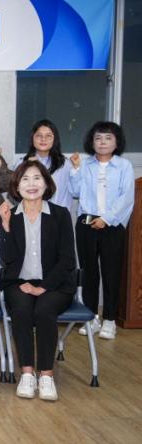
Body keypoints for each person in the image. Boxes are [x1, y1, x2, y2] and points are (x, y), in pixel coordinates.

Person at [0, 160, 76, 401]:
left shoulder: (60, 214)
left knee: (44, 310)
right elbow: (8, 259)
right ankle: (27, 373)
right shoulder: (10, 216)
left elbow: (67, 260)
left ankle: (46, 375)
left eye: (37, 178)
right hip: (19, 282)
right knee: (21, 310)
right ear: (16, 186)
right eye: (25, 179)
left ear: (46, 183)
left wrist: (43, 286)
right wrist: (6, 227)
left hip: (55, 283)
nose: (31, 184)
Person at [70, 121, 135, 340]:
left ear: (117, 142)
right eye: (98, 138)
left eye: (108, 138)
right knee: (88, 272)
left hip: (112, 226)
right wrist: (75, 169)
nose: (102, 142)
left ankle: (109, 320)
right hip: (86, 223)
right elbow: (75, 191)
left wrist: (106, 219)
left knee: (111, 272)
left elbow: (126, 197)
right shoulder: (85, 164)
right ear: (92, 142)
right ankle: (91, 317)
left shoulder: (124, 166)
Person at [17, 119, 74, 208]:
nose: (43, 139)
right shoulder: (22, 163)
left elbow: (75, 191)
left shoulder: (65, 164)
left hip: (58, 214)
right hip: (30, 213)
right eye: (39, 135)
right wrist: (28, 166)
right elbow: (16, 193)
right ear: (32, 139)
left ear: (54, 139)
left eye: (48, 136)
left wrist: (76, 169)